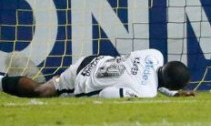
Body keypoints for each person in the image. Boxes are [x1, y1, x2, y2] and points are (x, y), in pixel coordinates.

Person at [0, 49, 194, 98]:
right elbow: (104, 94)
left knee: (45, 87)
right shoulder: (146, 92)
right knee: (41, 91)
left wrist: (172, 93)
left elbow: (150, 78)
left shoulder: (155, 55)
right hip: (83, 79)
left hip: (94, 60)